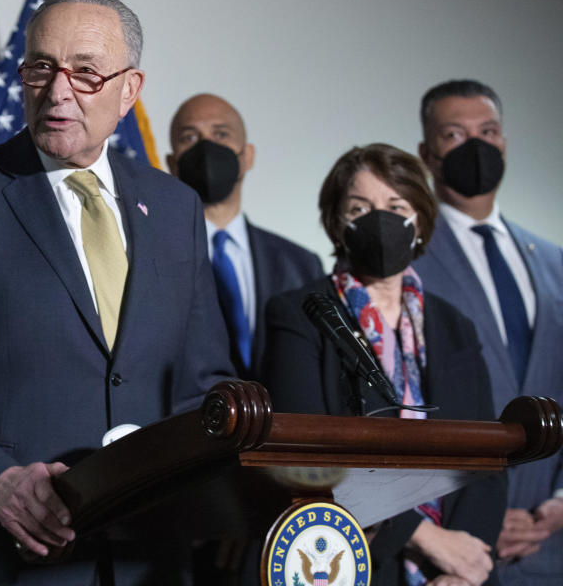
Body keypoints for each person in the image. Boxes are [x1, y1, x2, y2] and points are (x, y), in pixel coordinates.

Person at [0, 0, 234, 585]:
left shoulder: (175, 208)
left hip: (145, 560)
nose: (58, 90)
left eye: (87, 72)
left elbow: (203, 382)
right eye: (41, 68)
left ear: (130, 90)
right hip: (0, 556)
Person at [261, 144, 506, 585]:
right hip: (350, 558)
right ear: (339, 223)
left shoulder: (456, 327)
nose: (381, 220)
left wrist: (463, 567)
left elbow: (487, 457)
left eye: (396, 206)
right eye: (361, 207)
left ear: (419, 222)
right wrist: (424, 538)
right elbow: (305, 459)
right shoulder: (299, 314)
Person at [412, 79, 563, 584]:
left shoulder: (554, 262)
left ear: (504, 142)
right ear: (427, 153)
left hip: (551, 546)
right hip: (456, 547)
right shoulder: (402, 262)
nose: (476, 146)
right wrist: (474, 514)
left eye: (488, 131)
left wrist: (558, 506)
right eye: (455, 134)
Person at [166, 94, 322, 378]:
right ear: (172, 164)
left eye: (221, 134)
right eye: (189, 137)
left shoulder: (301, 264)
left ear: (247, 156)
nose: (206, 147)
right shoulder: (155, 259)